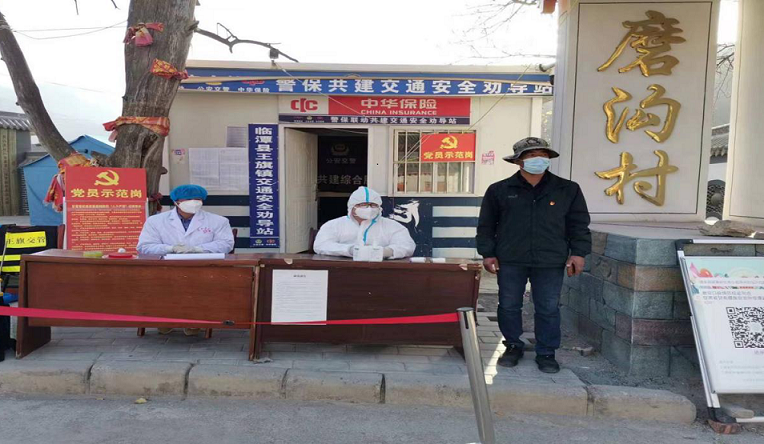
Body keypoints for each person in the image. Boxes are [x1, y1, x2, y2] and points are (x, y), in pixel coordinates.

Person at [476, 137, 591, 374]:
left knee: (548, 307)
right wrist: (487, 254)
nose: (538, 159)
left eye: (543, 155)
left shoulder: (567, 189)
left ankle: (546, 352)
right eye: (531, 155)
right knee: (509, 305)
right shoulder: (499, 190)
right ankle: (512, 346)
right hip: (510, 258)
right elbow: (486, 225)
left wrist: (578, 253)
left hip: (550, 259)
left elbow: (578, 225)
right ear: (518, 161)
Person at [137, 184, 234, 336]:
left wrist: (198, 249)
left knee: (198, 288)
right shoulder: (155, 221)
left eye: (197, 199)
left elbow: (226, 244)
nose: (193, 202)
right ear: (176, 201)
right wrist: (170, 248)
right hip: (165, 268)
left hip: (202, 267)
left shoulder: (218, 221)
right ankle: (165, 320)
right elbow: (145, 246)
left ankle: (195, 321)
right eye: (188, 199)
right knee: (162, 287)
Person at [314, 186, 416, 259]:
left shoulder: (393, 226)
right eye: (363, 205)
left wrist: (386, 252)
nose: (369, 209)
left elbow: (407, 246)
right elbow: (321, 245)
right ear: (352, 207)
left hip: (382, 270)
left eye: (373, 205)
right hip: (342, 270)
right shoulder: (334, 225)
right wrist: (350, 250)